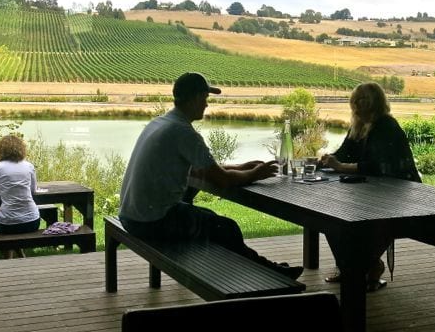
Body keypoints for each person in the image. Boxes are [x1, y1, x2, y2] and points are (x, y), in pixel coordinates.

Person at [118, 71, 304, 280]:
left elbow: (202, 169)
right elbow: (221, 180)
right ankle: (269, 274)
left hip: (131, 216)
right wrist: (255, 174)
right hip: (152, 222)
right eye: (205, 98)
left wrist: (242, 167)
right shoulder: (184, 132)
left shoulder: (161, 123)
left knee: (210, 220)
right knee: (225, 227)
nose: (207, 104)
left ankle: (261, 270)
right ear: (196, 97)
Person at [319, 82, 420, 290]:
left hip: (398, 193)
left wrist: (340, 166)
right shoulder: (358, 126)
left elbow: (375, 166)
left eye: (363, 99)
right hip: (370, 188)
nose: (357, 104)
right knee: (328, 217)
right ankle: (351, 267)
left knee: (368, 224)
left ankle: (367, 268)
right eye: (355, 99)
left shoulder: (386, 127)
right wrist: (327, 160)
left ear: (376, 102)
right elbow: (344, 152)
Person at [0, 135, 41, 257]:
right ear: (21, 148)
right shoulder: (28, 166)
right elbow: (33, 190)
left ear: (0, 150)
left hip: (8, 224)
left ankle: (8, 258)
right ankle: (20, 255)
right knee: (15, 226)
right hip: (32, 221)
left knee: (7, 225)